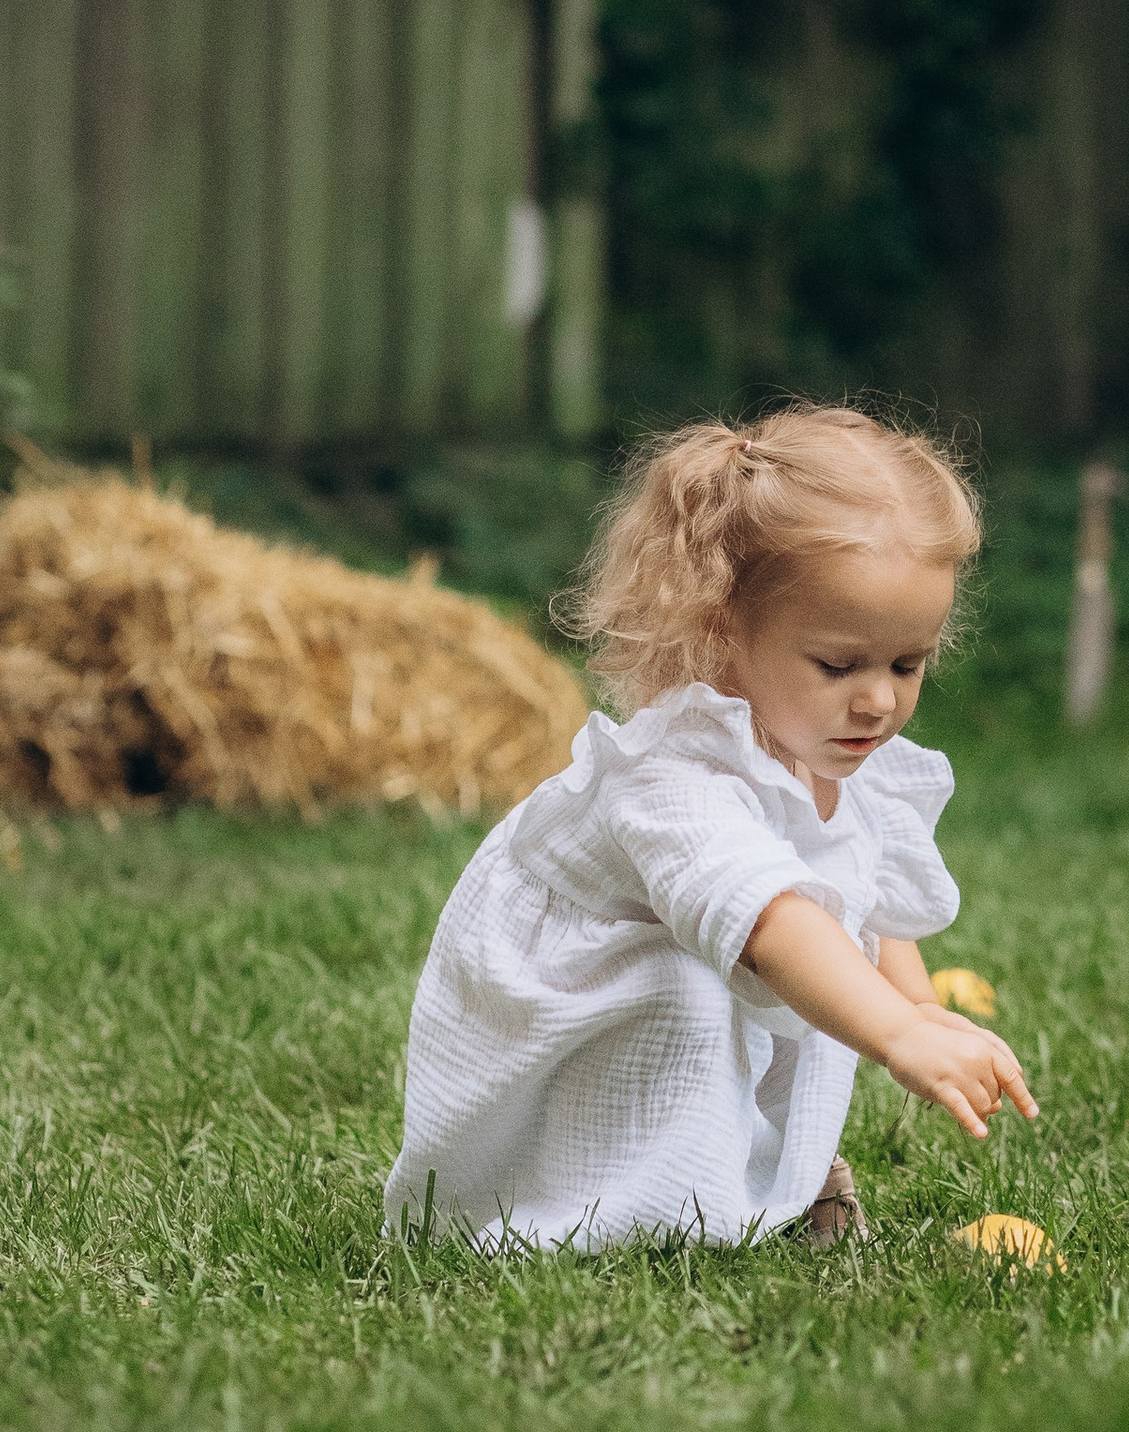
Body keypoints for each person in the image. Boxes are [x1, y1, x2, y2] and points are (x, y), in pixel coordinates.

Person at [386, 403, 1036, 1252]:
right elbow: (771, 923)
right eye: (840, 665)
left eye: (906, 664)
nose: (878, 699)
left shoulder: (839, 750)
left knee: (820, 976)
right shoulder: (674, 777)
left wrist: (915, 1006)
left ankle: (768, 1178)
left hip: (721, 951)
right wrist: (896, 1030)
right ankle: (610, 1207)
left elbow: (863, 900)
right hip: (576, 992)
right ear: (722, 626)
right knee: (712, 987)